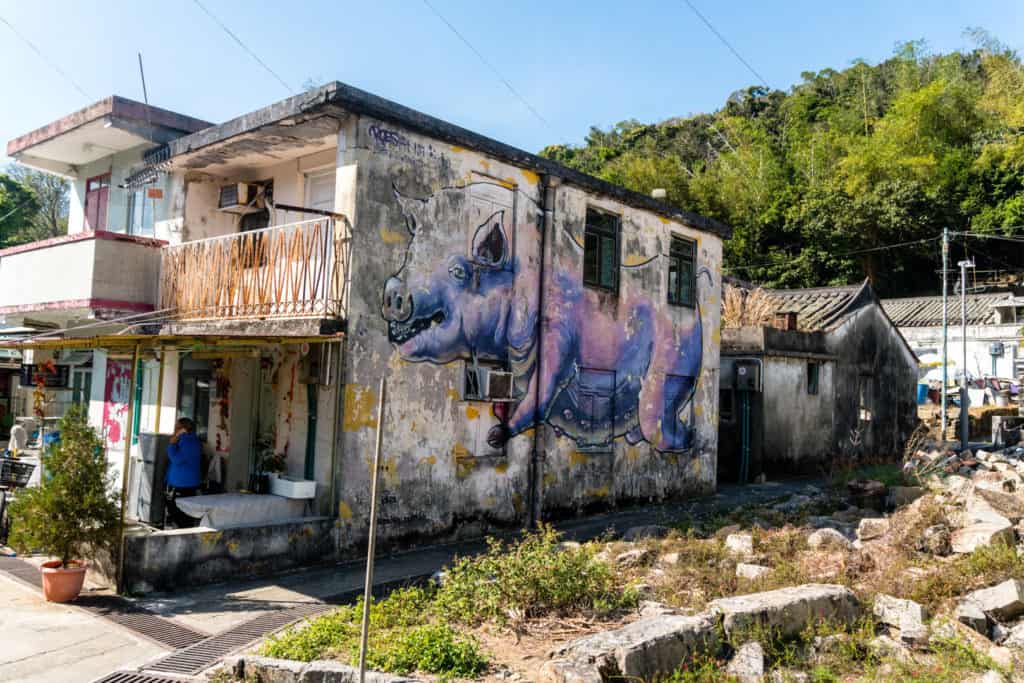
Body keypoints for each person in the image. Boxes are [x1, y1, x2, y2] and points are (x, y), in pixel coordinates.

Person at [165, 417, 202, 528]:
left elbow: (177, 459)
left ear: (183, 429)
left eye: (177, 427)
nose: (174, 430)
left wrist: (172, 444)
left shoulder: (190, 442)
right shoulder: (186, 441)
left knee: (181, 517)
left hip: (183, 486)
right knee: (178, 515)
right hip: (180, 484)